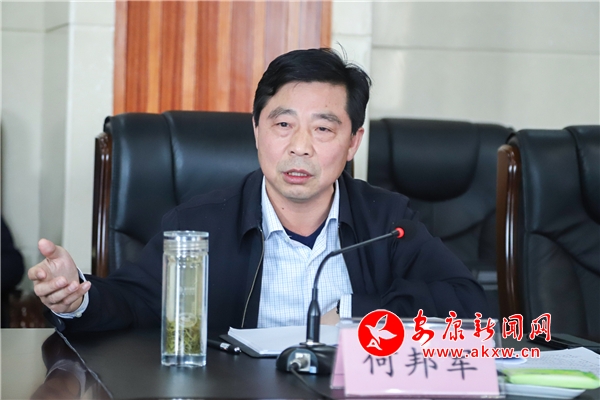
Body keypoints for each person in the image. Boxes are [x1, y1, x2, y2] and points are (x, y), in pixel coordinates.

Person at [29, 48, 488, 333]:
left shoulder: (387, 221)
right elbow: (133, 301)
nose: (300, 147)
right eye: (283, 124)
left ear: (353, 143)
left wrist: (354, 312)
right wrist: (78, 296)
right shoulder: (199, 223)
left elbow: (467, 303)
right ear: (256, 130)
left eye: (323, 129)